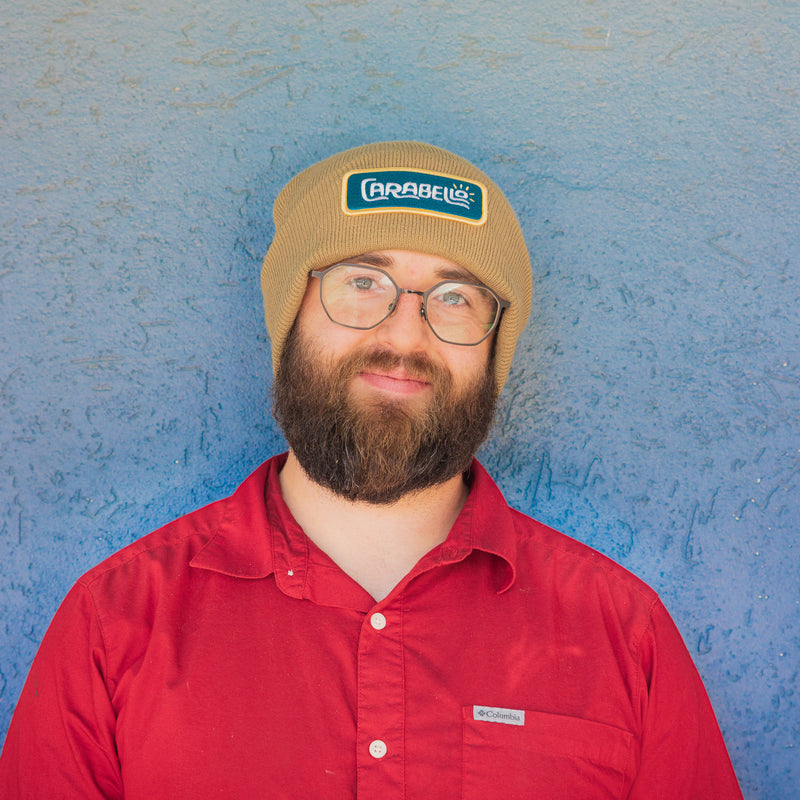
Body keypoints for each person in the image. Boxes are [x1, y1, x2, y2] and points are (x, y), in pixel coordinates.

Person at [0, 141, 743, 798]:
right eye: (363, 282)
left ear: (494, 350)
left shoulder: (623, 633)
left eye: (455, 297)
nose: (402, 334)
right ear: (289, 316)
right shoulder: (115, 623)